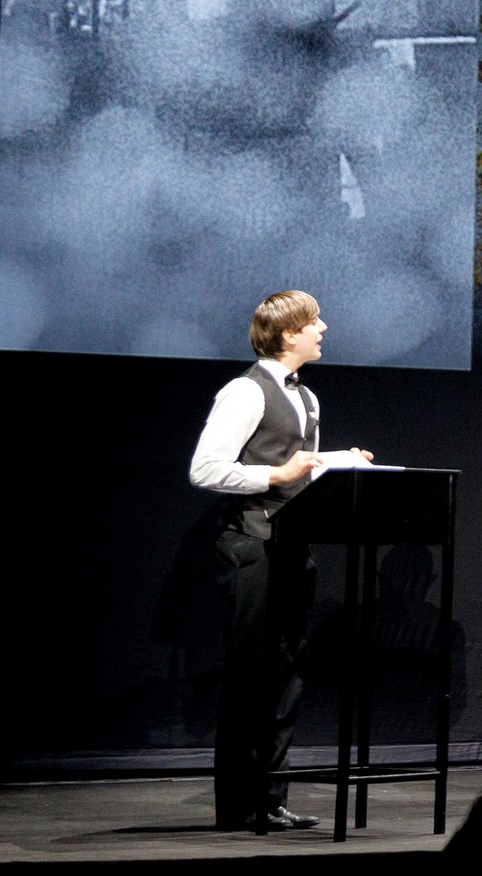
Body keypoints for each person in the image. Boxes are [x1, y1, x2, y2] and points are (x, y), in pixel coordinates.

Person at [188, 289, 373, 831]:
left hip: (294, 548)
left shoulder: (309, 399)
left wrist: (342, 460)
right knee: (249, 676)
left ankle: (270, 798)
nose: (323, 328)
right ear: (288, 334)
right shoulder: (244, 392)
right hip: (251, 546)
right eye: (314, 322)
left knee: (286, 675)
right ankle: (238, 806)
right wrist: (273, 476)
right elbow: (205, 469)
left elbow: (300, 465)